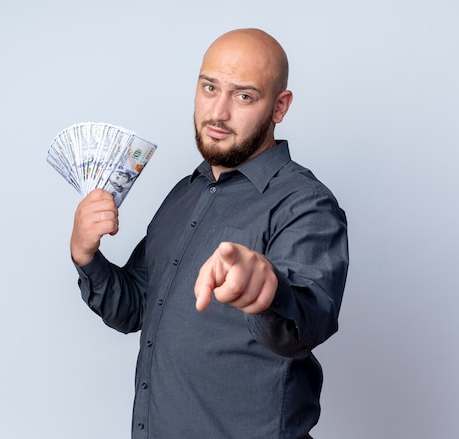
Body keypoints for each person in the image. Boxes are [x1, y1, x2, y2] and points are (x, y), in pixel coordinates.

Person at [70, 28, 349, 439]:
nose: (218, 112)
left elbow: (307, 324)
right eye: (209, 87)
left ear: (280, 106)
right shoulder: (185, 193)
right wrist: (86, 255)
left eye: (244, 96)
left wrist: (269, 292)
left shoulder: (305, 203)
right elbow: (134, 309)